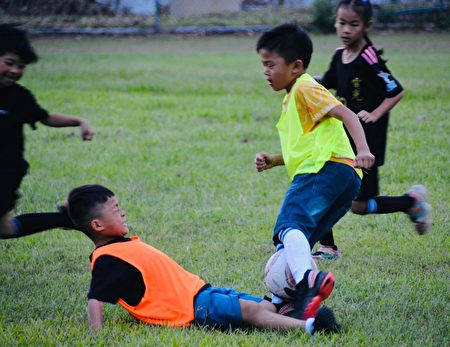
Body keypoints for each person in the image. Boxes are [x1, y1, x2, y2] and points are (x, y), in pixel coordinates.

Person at [66, 184, 340, 334]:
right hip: (193, 308)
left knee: (264, 307)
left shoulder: (118, 247)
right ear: (98, 225)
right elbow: (95, 296)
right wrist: (96, 333)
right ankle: (310, 326)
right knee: (254, 313)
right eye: (116, 210)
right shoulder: (106, 258)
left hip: (201, 293)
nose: (123, 213)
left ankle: (291, 310)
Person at [254, 23, 375, 319]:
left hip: (325, 169)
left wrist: (363, 149)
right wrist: (275, 159)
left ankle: (309, 283)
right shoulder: (293, 96)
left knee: (288, 227)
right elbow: (306, 144)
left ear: (296, 66)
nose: (266, 72)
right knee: (299, 241)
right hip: (343, 177)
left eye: (271, 65)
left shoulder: (305, 87)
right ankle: (288, 301)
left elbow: (345, 113)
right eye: (263, 65)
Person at [313, 0, 431, 260]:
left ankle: (410, 202)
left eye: (353, 24)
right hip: (344, 137)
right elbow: (329, 82)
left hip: (367, 141)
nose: (346, 30)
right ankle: (328, 247)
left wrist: (374, 114)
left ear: (366, 26)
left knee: (359, 205)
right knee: (326, 185)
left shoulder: (369, 57)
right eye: (341, 23)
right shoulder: (338, 55)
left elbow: (396, 91)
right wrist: (304, 80)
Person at [0, 24, 95, 240]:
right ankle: (65, 219)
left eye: (21, 66)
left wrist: (79, 121)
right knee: (5, 229)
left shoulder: (19, 97)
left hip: (5, 172)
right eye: (9, 63)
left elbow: (45, 118)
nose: (15, 70)